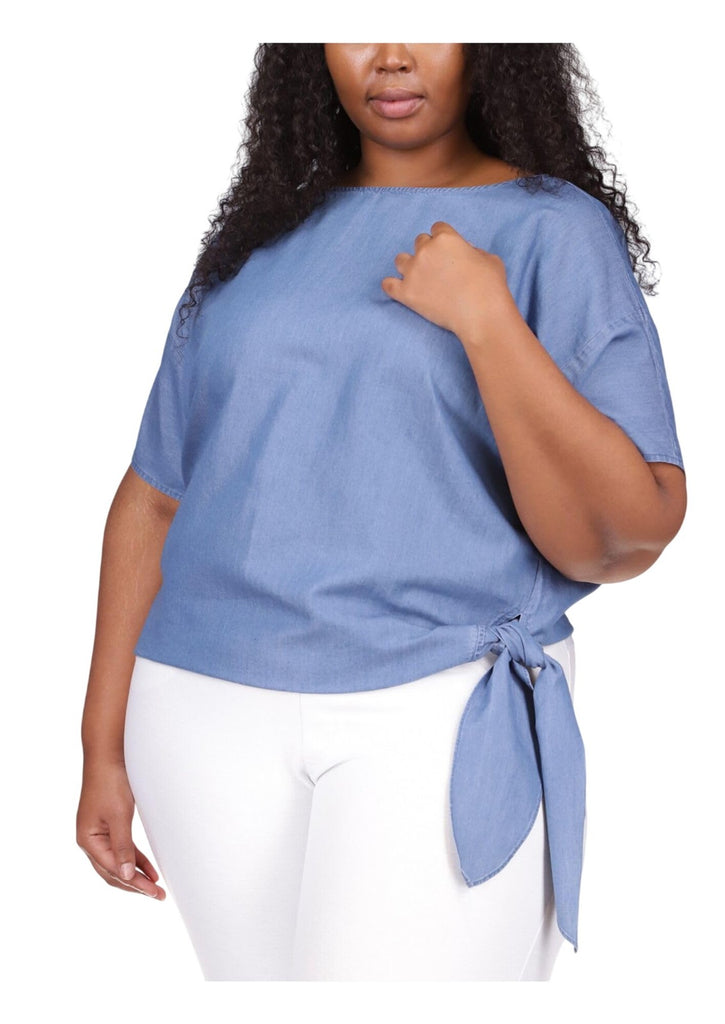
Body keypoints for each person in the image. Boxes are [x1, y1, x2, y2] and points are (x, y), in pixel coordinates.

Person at [75, 43, 687, 982]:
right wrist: (102, 748)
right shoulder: (258, 238)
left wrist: (487, 319)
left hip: (434, 703)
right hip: (199, 714)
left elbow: (627, 533)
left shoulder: (554, 232)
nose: (391, 56)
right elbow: (157, 494)